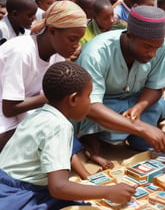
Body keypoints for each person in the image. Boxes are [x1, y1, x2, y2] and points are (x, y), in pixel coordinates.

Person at [0, 61, 135, 209]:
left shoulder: (38, 114)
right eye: (89, 96)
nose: (90, 102)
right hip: (17, 196)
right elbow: (58, 187)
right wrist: (108, 191)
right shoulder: (60, 126)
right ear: (73, 99)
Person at [0, 0, 91, 179]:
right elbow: (9, 109)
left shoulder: (57, 55)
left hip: (28, 111)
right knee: (32, 138)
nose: (76, 46)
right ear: (52, 31)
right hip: (6, 113)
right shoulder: (22, 51)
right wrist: (49, 96)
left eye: (79, 40)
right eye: (72, 39)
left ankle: (83, 174)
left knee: (58, 125)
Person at [76, 5, 165, 165]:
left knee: (147, 141)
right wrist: (140, 128)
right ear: (130, 36)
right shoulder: (95, 53)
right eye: (147, 47)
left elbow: (156, 87)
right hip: (103, 104)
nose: (152, 54)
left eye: (156, 47)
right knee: (87, 115)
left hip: (136, 100)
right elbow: (90, 105)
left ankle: (133, 131)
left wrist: (139, 107)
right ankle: (92, 138)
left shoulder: (161, 47)